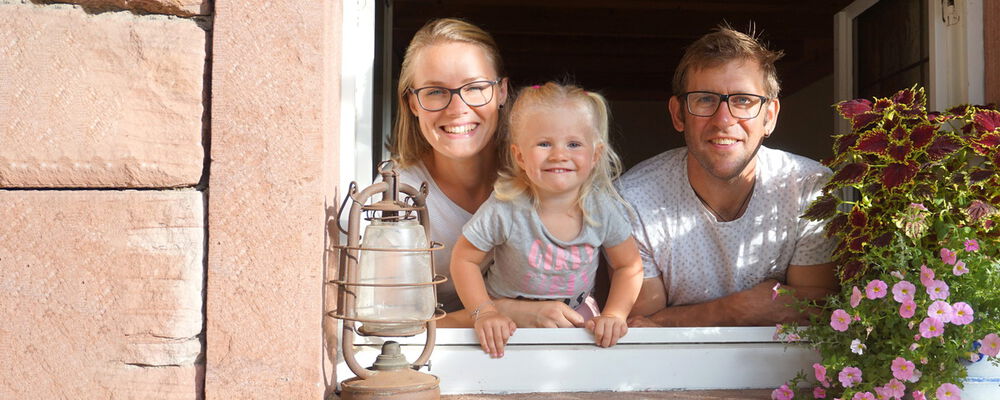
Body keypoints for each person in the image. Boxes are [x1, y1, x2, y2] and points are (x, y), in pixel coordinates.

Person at [617, 26, 839, 327]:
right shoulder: (632, 198)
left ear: (769, 117)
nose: (723, 120)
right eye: (705, 99)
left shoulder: (808, 186)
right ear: (679, 114)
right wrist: (737, 309)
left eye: (743, 100)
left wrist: (681, 318)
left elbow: (819, 313)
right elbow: (644, 328)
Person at [391, 18, 586, 328]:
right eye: (436, 92)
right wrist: (501, 311)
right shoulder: (396, 200)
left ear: (502, 92)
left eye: (475, 88)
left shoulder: (547, 172)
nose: (457, 109)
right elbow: (392, 328)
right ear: (413, 103)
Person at [450, 82, 643, 357]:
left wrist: (615, 314)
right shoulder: (506, 207)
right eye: (544, 144)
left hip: (576, 319)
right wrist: (485, 312)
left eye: (573, 144)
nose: (559, 155)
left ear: (595, 155)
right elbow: (464, 259)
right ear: (520, 156)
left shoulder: (601, 209)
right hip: (506, 321)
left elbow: (628, 265)